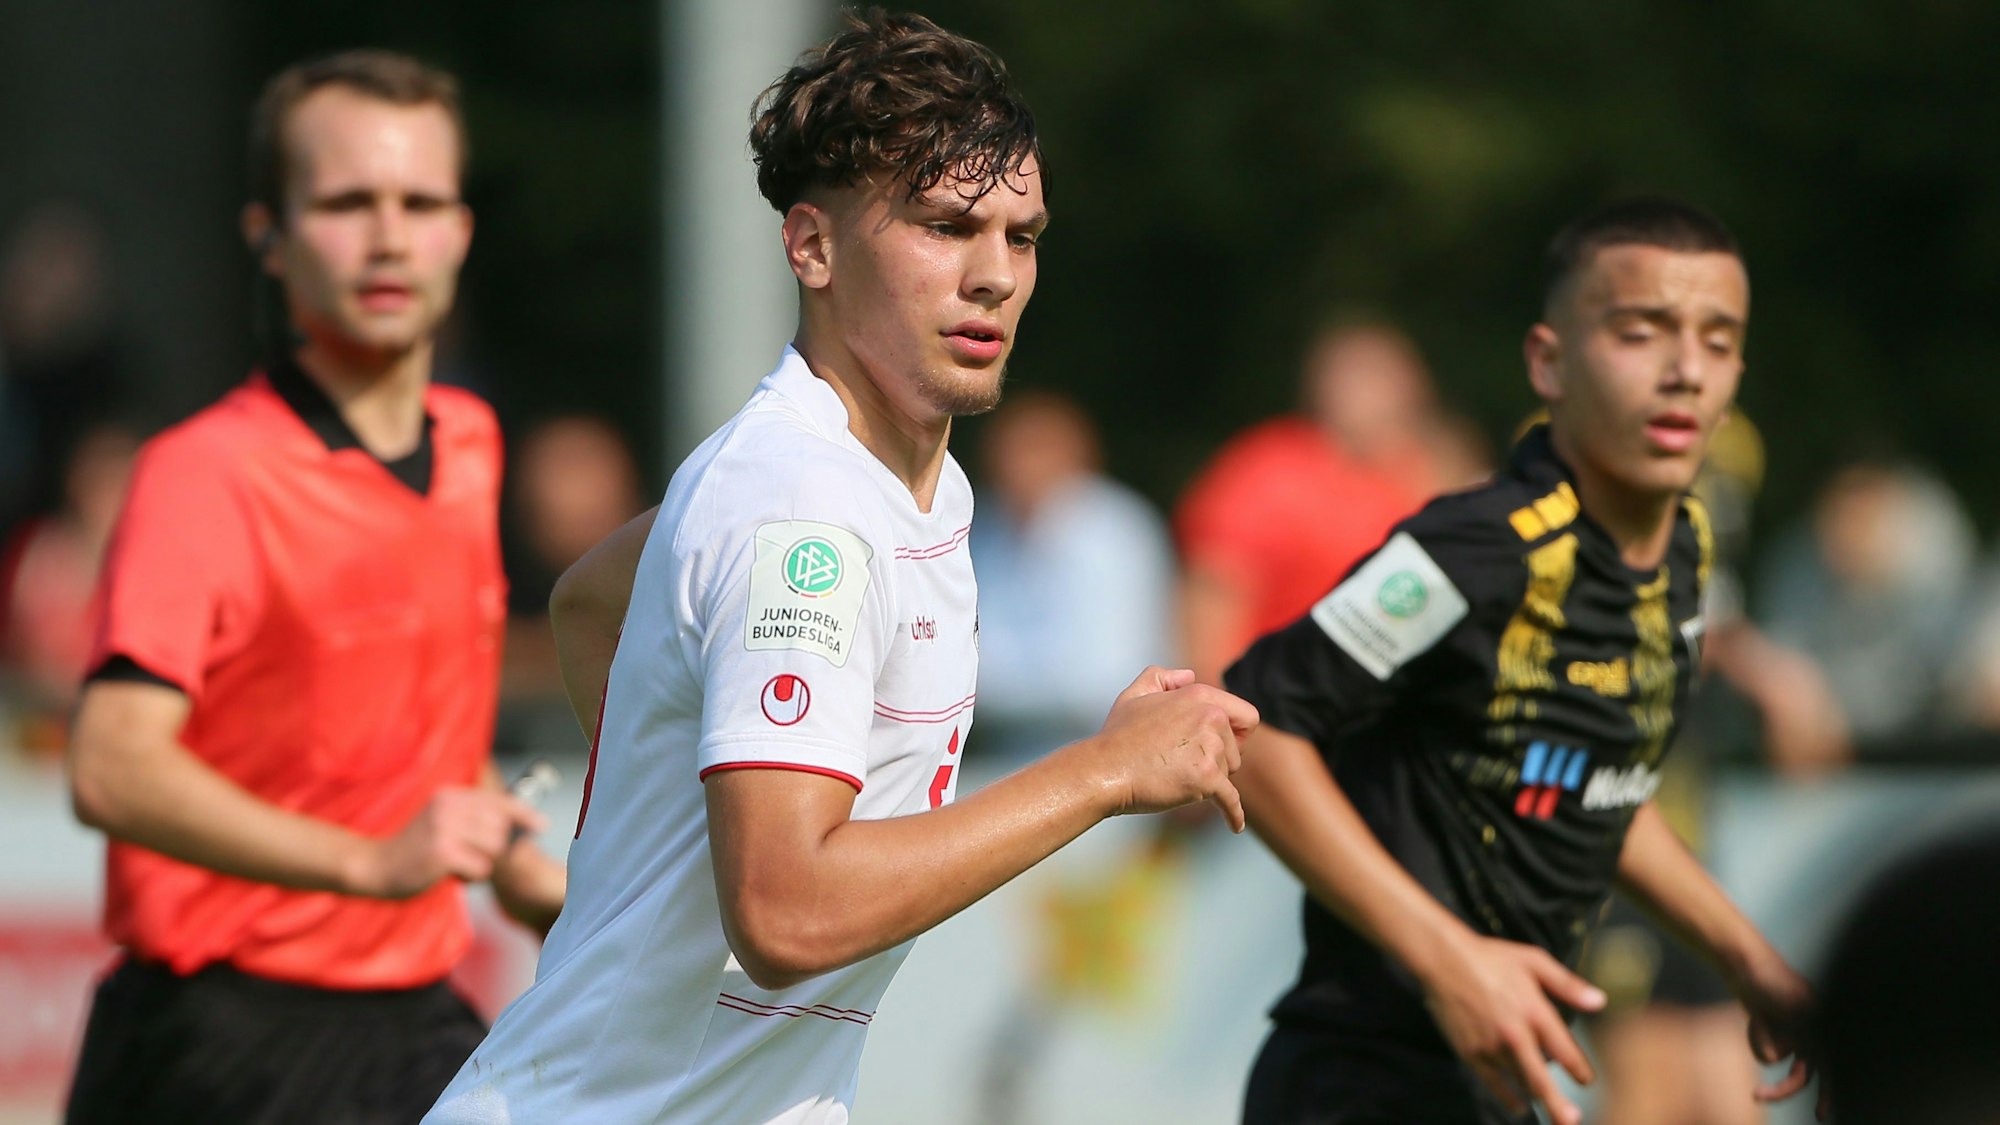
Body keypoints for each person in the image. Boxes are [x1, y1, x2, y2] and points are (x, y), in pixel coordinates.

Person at [424, 12, 1255, 1124]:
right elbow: (783, 916)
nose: (994, 276)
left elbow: (594, 601)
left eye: (1021, 234)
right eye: (944, 226)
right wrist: (1102, 773)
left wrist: (647, 844)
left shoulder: (902, 485)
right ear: (811, 246)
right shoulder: (800, 508)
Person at [1226, 198, 1815, 1125]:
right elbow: (1247, 732)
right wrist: (1450, 961)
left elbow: (1597, 785)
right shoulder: (1477, 547)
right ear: (1549, 361)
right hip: (1362, 1083)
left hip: (1497, 1083)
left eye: (1717, 337)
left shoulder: (1688, 551)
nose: (1683, 370)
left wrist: (1755, 962)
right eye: (1639, 331)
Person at [62, 51, 565, 1125]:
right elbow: (110, 766)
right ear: (270, 239)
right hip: (219, 1048)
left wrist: (517, 859)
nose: (389, 236)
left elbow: (415, 725)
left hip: (415, 1016)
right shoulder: (205, 473)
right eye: (346, 202)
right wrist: (371, 862)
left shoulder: (470, 446)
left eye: (419, 201)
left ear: (460, 232)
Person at [1175, 318, 1484, 687]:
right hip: (1284, 706)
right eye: (1357, 377)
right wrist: (1225, 713)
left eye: (1382, 378)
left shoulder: (1439, 473)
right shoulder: (1268, 474)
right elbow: (1211, 615)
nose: (1370, 395)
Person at [969, 389, 1177, 762]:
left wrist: (979, 692)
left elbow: (1104, 679)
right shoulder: (980, 530)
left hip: (1109, 751)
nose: (1020, 467)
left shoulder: (1117, 532)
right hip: (1000, 756)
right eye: (1011, 453)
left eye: (1037, 451)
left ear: (1078, 457)